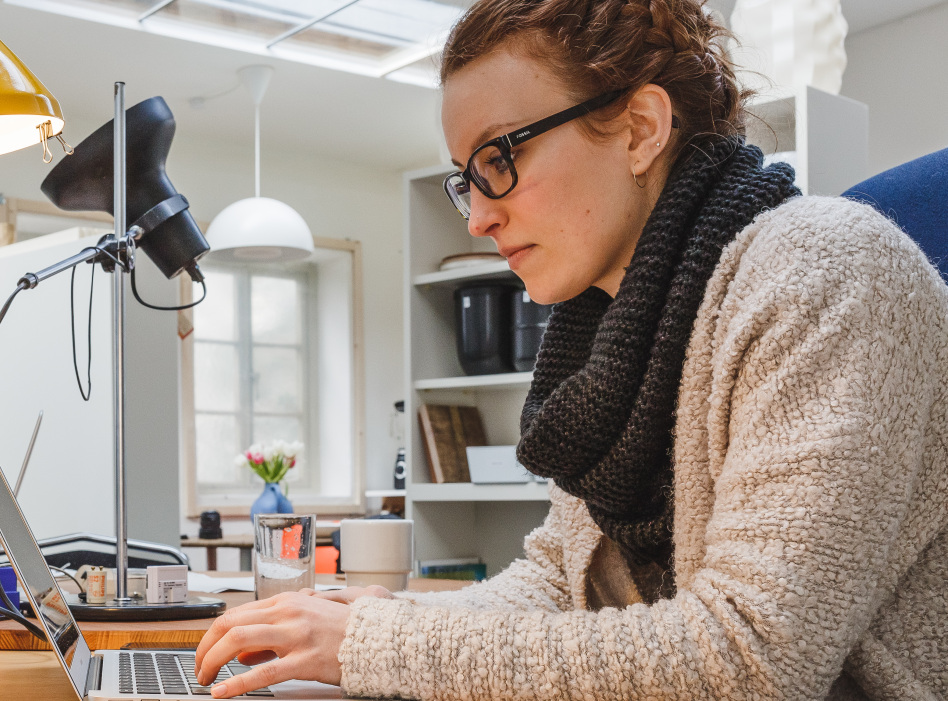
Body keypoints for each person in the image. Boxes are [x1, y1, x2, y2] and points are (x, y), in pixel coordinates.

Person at [193, 1, 948, 699]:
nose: (477, 219)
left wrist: (379, 642)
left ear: (641, 129)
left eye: (499, 158)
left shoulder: (825, 270)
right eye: (467, 181)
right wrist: (375, 619)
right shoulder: (613, 334)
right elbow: (560, 581)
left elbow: (753, 659)